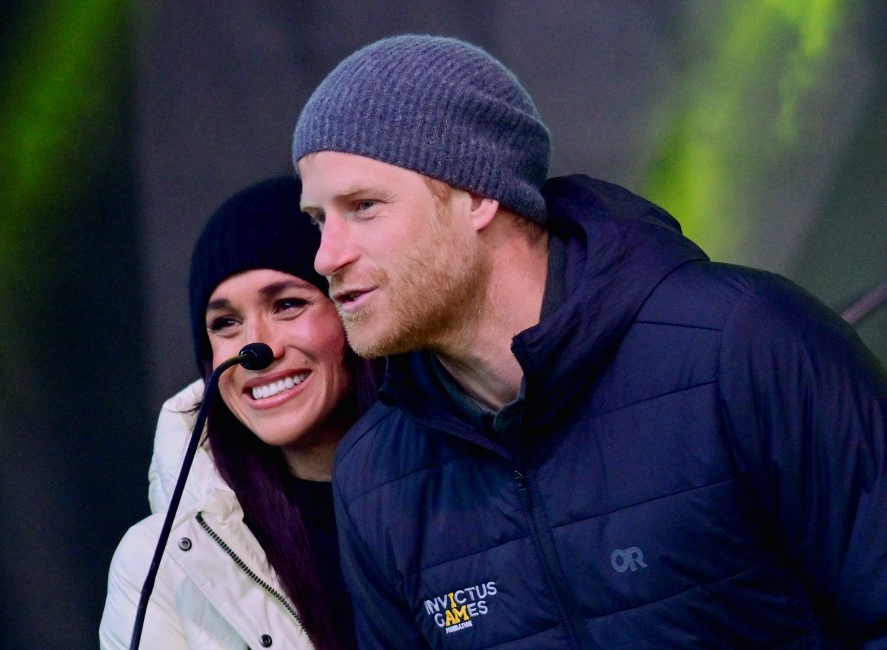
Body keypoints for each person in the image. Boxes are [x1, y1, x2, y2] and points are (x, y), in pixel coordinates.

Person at [291, 34, 887, 648]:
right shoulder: (375, 471)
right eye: (318, 219)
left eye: (363, 206)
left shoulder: (742, 343)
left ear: (476, 194)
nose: (326, 255)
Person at [99, 176, 376, 650]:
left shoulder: (468, 489)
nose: (256, 347)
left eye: (288, 304)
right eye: (225, 323)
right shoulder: (158, 563)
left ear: (354, 310)